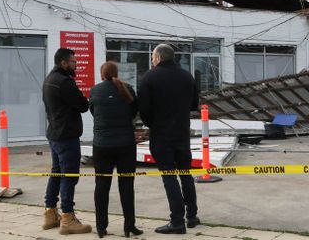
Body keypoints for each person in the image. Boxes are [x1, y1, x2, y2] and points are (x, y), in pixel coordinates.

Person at [138, 44, 200, 234]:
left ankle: (177, 221)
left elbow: (144, 109)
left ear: (158, 58)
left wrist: (152, 124)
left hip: (161, 134)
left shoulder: (150, 77)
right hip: (182, 133)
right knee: (185, 173)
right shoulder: (187, 76)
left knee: (168, 175)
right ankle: (191, 216)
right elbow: (193, 105)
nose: (151, 60)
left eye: (152, 57)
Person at [89, 61, 143, 238]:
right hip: (125, 145)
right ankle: (129, 226)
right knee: (127, 186)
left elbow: (93, 111)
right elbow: (134, 111)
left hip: (102, 146)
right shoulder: (127, 88)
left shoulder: (95, 90)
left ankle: (101, 227)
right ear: (116, 73)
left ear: (102, 74)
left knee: (101, 186)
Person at [42, 48, 91, 235]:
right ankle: (68, 218)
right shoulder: (64, 82)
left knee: (56, 172)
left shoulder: (49, 79)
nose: (75, 64)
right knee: (69, 176)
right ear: (63, 63)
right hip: (66, 136)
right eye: (73, 62)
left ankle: (50, 213)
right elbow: (83, 105)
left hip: (54, 133)